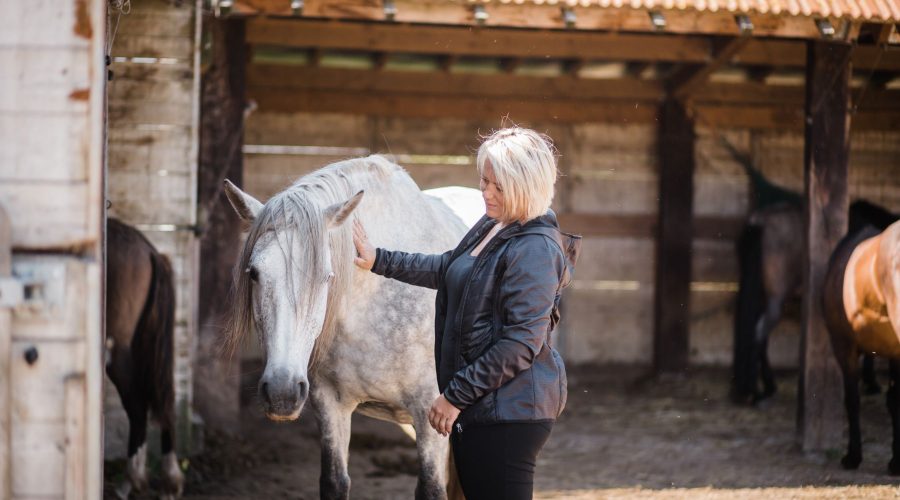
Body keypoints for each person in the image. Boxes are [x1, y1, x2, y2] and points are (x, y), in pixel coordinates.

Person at [352, 127, 580, 499]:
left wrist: (455, 395)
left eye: (499, 186)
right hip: (485, 406)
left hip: (511, 412)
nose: (486, 193)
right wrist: (380, 259)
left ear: (526, 185)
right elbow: (449, 268)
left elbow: (521, 342)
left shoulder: (535, 248)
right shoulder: (494, 225)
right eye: (484, 181)